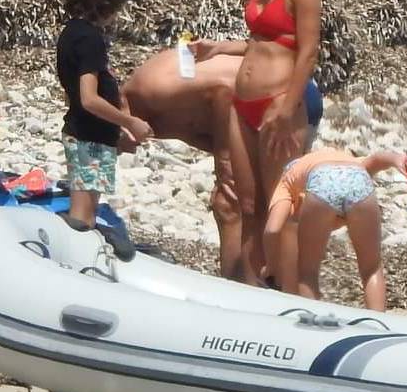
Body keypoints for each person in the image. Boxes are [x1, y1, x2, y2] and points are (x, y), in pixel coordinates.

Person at [191, 0, 322, 270]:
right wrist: (219, 48)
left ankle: (290, 290)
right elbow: (262, 41)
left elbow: (308, 51)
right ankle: (252, 288)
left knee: (280, 207)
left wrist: (286, 105)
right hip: (243, 103)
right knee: (246, 204)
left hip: (279, 101)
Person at [122, 45, 327, 280]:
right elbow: (204, 128)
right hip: (253, 100)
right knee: (231, 204)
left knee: (256, 203)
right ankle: (244, 283)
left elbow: (223, 90)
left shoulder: (152, 91)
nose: (117, 153)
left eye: (110, 145)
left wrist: (224, 162)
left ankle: (286, 288)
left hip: (284, 98)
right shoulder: (151, 118)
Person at [56, 0, 153, 226]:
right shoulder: (90, 40)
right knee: (83, 217)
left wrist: (116, 132)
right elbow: (89, 99)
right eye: (119, 2)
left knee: (85, 211)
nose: (119, 10)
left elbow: (79, 94)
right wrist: (130, 122)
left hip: (88, 133)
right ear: (105, 1)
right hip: (89, 138)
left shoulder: (73, 32)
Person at [264, 144, 407, 310]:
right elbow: (378, 159)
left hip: (321, 182)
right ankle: (378, 323)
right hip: (359, 180)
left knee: (307, 272)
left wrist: (271, 267)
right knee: (371, 268)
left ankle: (311, 320)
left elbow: (273, 229)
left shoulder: (287, 178)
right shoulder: (349, 160)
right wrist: (398, 159)